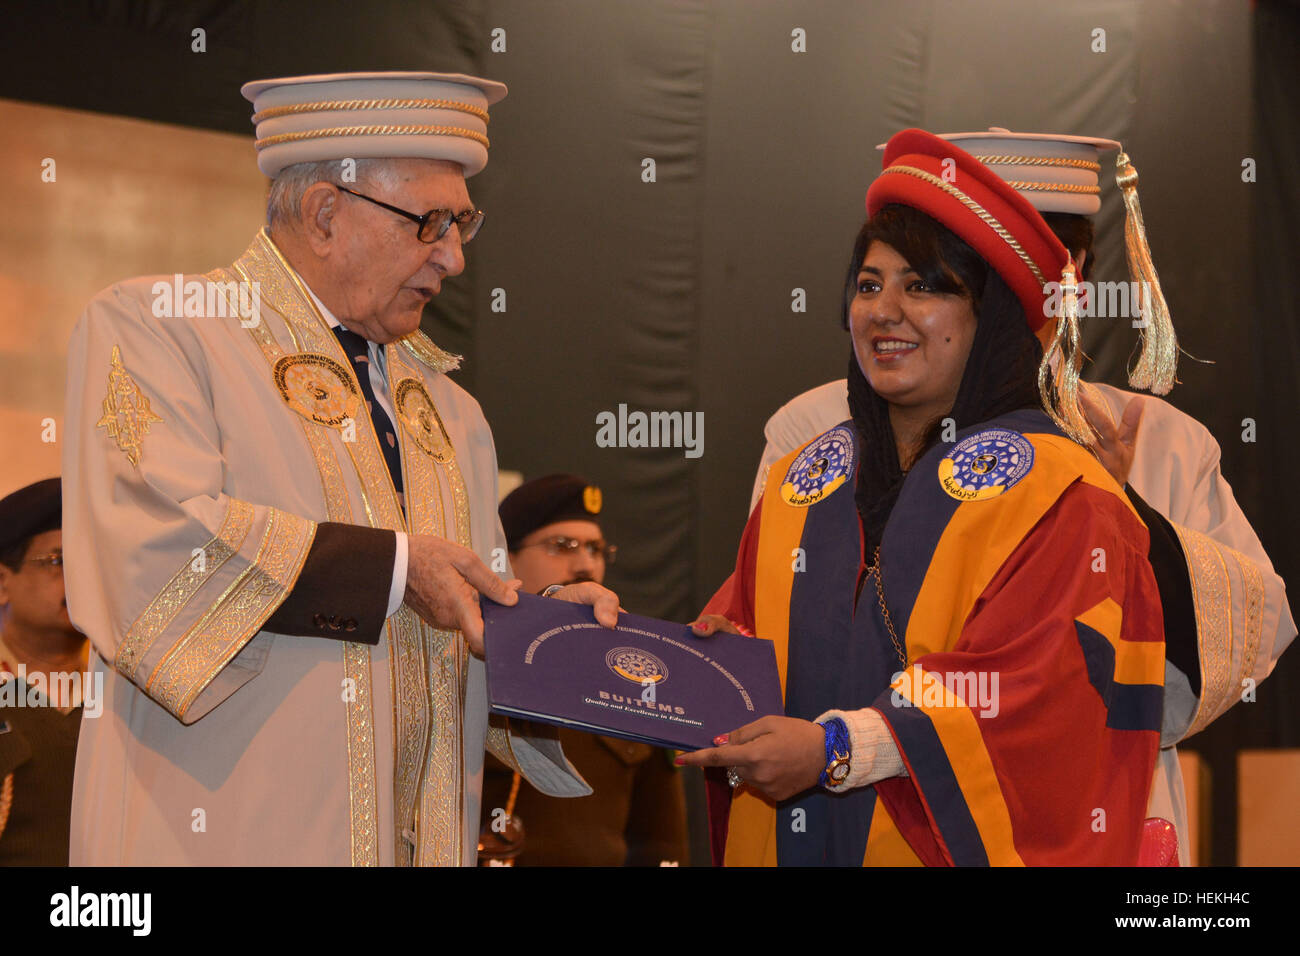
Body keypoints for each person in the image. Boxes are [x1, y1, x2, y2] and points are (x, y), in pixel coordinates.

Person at [62, 71, 619, 866]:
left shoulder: (448, 408)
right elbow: (149, 557)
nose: (454, 259)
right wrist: (398, 572)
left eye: (463, 224)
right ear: (326, 213)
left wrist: (546, 630)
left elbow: (465, 604)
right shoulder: (165, 330)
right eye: (431, 223)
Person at [746, 130, 1296, 866]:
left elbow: (1251, 637)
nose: (1046, 289)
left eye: (1062, 263)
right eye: (880, 280)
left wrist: (1115, 510)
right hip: (837, 821)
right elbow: (760, 637)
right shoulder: (817, 433)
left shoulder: (1156, 436)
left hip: (1067, 820)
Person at [680, 128, 1168, 866]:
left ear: (992, 317)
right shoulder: (807, 482)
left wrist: (840, 748)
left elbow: (1037, 697)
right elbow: (735, 646)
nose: (884, 310)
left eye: (925, 286)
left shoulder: (1062, 496)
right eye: (869, 285)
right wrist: (604, 652)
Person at [479, 474, 689, 865]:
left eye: (595, 549)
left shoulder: (636, 679)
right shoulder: (468, 661)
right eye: (562, 546)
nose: (585, 565)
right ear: (505, 558)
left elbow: (662, 844)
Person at [0, 478, 89, 865]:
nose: (84, 581)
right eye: (60, 562)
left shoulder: (131, 699)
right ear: (3, 583)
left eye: (93, 564)